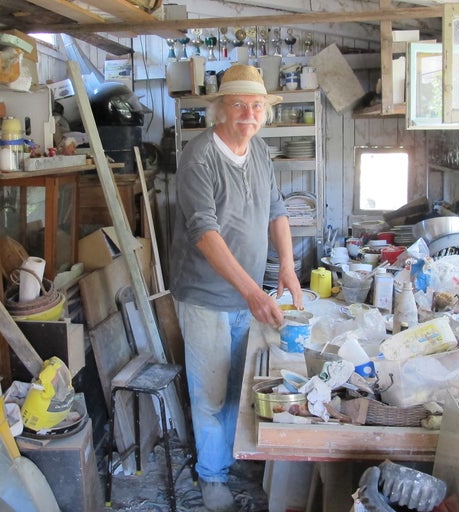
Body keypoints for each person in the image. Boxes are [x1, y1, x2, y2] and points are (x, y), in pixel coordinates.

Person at [169, 64, 303, 512]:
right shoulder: (199, 158)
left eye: (257, 106)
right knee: (209, 391)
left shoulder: (259, 150)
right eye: (239, 105)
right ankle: (211, 476)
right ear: (220, 109)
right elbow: (204, 233)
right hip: (206, 297)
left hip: (248, 294)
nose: (249, 114)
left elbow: (276, 209)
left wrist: (287, 267)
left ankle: (228, 456)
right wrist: (252, 292)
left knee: (237, 384)